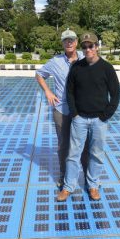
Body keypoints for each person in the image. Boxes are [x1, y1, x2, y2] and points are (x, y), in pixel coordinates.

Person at [57, 32, 120, 202]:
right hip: (80, 120)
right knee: (73, 154)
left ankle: (92, 185)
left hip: (99, 120)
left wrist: (105, 115)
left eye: (90, 46)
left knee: (96, 154)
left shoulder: (107, 68)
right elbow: (69, 92)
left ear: (96, 47)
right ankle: (68, 187)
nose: (87, 49)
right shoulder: (77, 67)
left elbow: (115, 94)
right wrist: (75, 113)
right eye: (84, 47)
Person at [35, 28, 88, 187]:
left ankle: (87, 177)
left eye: (72, 39)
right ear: (62, 43)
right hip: (62, 110)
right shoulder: (55, 61)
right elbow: (39, 74)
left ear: (76, 42)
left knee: (85, 144)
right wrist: (48, 92)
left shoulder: (86, 59)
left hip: (83, 110)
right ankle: (64, 175)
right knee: (63, 145)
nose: (69, 42)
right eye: (66, 40)